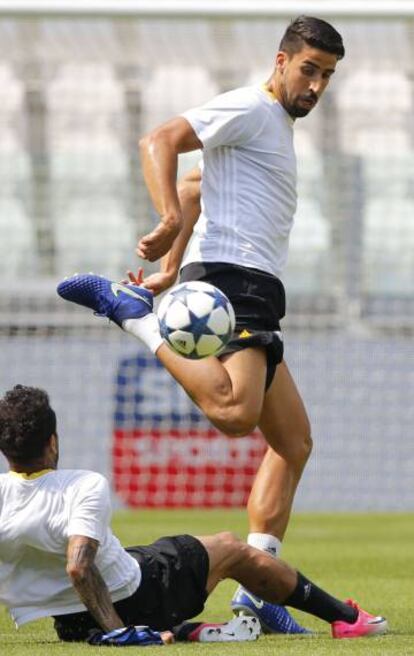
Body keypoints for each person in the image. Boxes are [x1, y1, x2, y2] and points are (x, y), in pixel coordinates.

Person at [59, 15, 346, 634]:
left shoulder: (269, 129)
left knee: (292, 441)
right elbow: (160, 140)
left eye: (326, 75)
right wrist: (164, 221)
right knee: (237, 413)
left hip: (253, 285)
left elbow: (194, 188)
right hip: (234, 280)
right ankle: (137, 322)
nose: (317, 85)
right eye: (308, 69)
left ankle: (259, 586)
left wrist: (168, 268)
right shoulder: (249, 107)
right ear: (280, 61)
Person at [0, 385, 387, 644]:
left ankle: (191, 632)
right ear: (52, 441)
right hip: (140, 596)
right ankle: (345, 618)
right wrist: (121, 635)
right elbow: (79, 567)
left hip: (72, 625)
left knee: (137, 552)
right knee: (231, 547)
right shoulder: (82, 484)